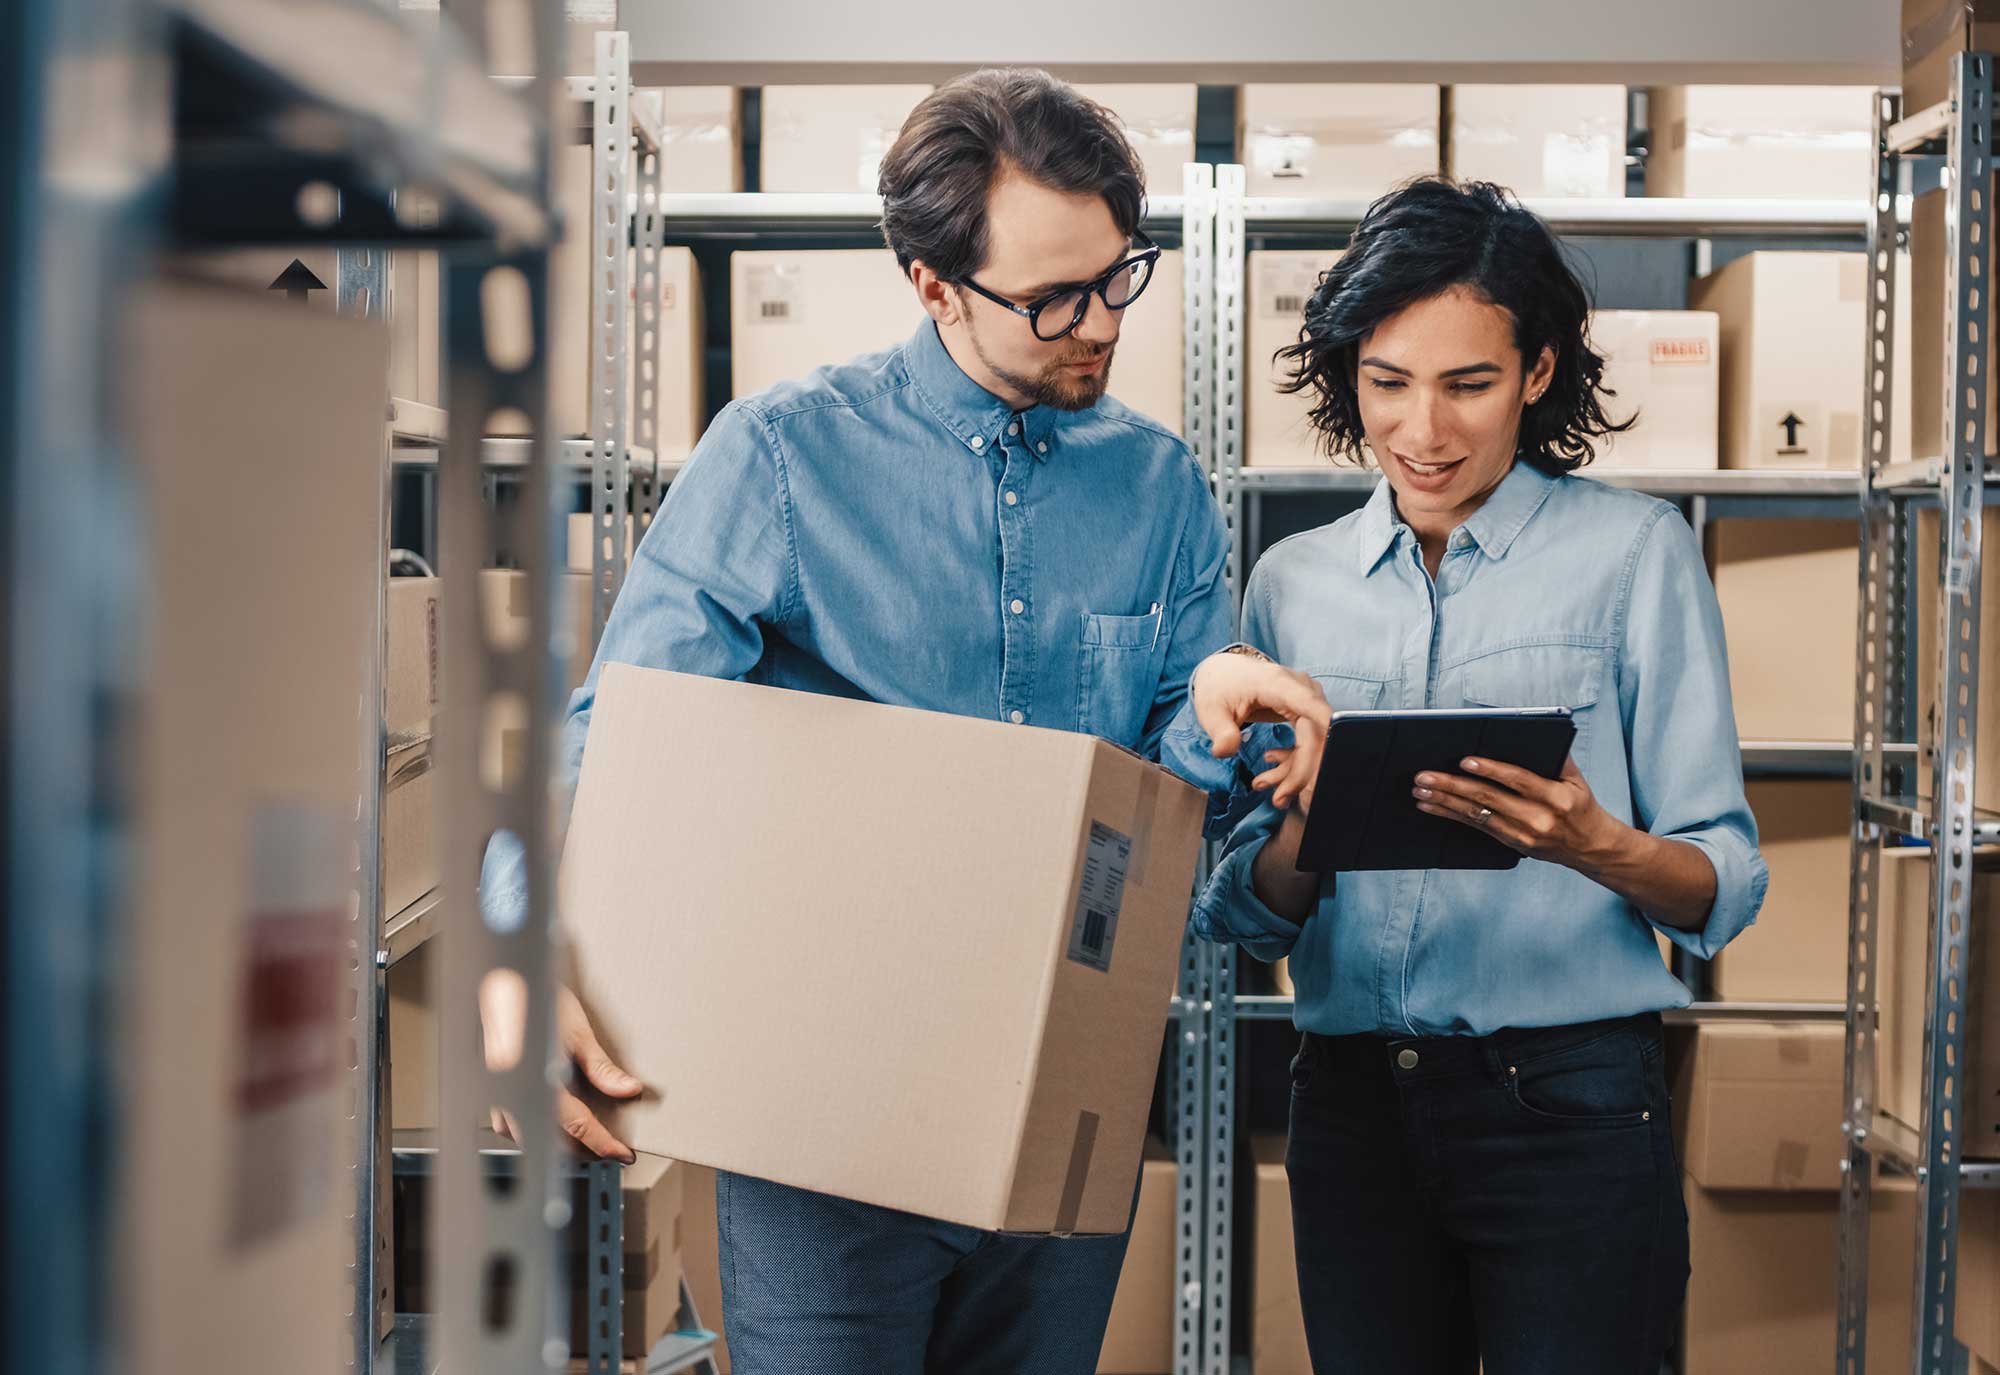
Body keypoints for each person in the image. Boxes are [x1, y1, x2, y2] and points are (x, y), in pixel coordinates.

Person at [479, 68, 1325, 1375]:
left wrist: (1210, 711)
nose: (1098, 323)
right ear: (932, 285)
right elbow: (618, 733)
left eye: (1117, 277)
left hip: (1064, 1101)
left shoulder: (1159, 486)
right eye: (1050, 299)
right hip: (827, 1118)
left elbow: (1166, 808)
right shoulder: (780, 457)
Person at [1173, 178, 1769, 1375]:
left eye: (1467, 384)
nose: (1421, 432)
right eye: (1386, 383)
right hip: (1349, 1108)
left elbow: (1726, 881)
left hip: (1568, 1103)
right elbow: (1239, 912)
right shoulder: (1289, 583)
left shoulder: (1633, 554)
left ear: (1537, 373)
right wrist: (1300, 826)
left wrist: (1590, 841)